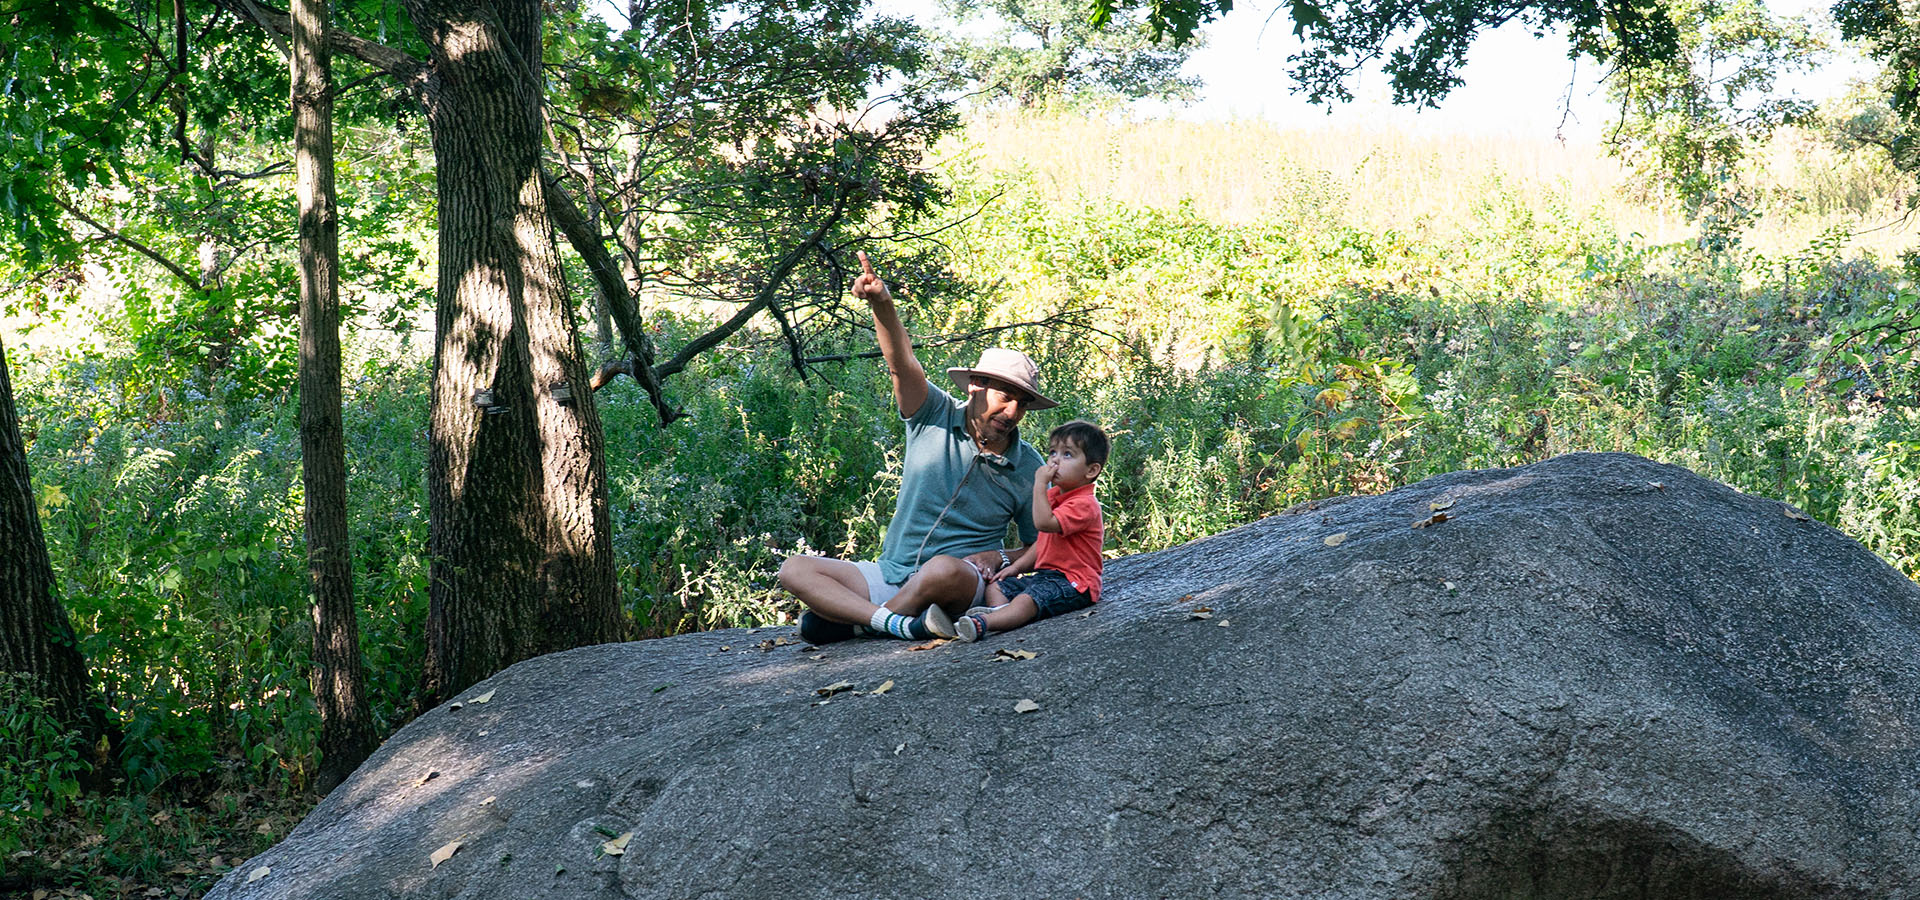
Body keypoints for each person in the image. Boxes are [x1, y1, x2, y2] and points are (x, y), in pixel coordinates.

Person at [777, 251, 1053, 642]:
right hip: (892, 573)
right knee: (794, 569)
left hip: (957, 582)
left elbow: (1044, 543)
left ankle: (860, 622)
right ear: (975, 384)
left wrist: (1000, 557)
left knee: (941, 569)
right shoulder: (932, 415)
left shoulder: (1029, 466)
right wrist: (882, 304)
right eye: (1004, 396)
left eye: (1022, 403)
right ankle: (898, 623)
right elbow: (902, 363)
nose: (1011, 411)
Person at [954, 420, 1108, 642]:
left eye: (1067, 455)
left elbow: (1044, 524)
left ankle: (985, 623)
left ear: (1091, 470)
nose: (1055, 460)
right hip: (1046, 577)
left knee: (1028, 599)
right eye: (1053, 452)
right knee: (997, 585)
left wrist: (1038, 485)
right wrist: (1015, 567)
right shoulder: (1056, 497)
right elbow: (1043, 542)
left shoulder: (1084, 504)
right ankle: (1005, 615)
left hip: (1075, 583)